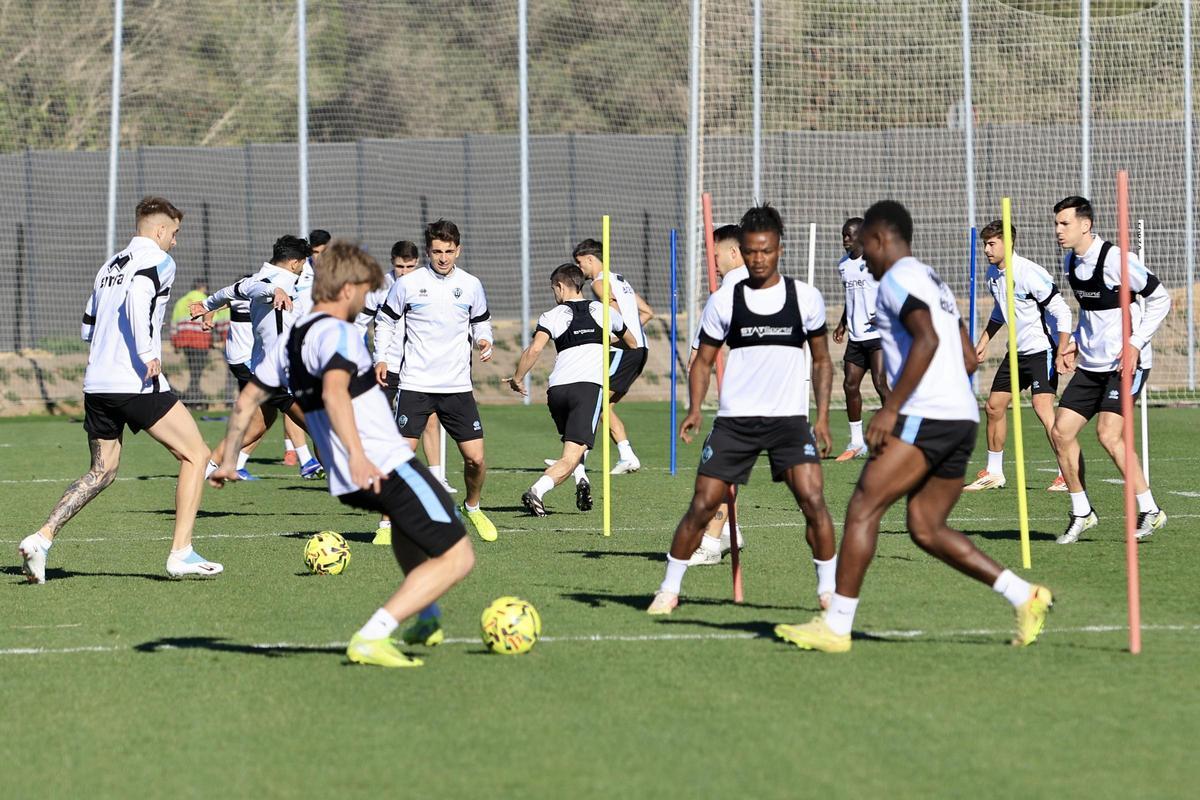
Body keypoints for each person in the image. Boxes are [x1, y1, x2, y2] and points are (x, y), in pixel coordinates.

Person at [774, 200, 1052, 654]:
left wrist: (891, 409)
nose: (862, 255)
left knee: (863, 505)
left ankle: (837, 626)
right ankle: (1026, 596)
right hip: (960, 416)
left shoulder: (897, 280)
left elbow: (926, 337)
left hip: (929, 414)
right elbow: (965, 354)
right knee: (925, 527)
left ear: (882, 239)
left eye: (865, 246)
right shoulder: (931, 278)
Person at [209, 241, 474, 667]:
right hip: (378, 464)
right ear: (348, 290)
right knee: (459, 555)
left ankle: (424, 614)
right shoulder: (340, 332)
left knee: (408, 528)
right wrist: (356, 454)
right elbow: (334, 390)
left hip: (344, 478)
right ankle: (373, 636)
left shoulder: (293, 338)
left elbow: (245, 402)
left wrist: (225, 461)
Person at [18, 197, 223, 583]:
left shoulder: (110, 266)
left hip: (98, 383)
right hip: (135, 381)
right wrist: (146, 352)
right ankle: (181, 553)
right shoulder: (160, 262)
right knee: (196, 454)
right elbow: (139, 296)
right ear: (160, 230)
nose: (175, 242)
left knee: (103, 470)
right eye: (174, 233)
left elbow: (87, 327)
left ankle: (41, 540)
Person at [647, 204, 837, 615]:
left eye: (766, 250)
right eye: (751, 251)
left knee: (814, 503)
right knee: (702, 506)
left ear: (779, 250)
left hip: (789, 421)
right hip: (735, 421)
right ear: (744, 252)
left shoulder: (805, 298)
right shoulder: (725, 300)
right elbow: (702, 360)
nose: (758, 258)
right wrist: (696, 407)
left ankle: (828, 592)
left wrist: (821, 417)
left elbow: (822, 361)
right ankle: (669, 589)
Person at [1049, 196, 1171, 543]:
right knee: (1060, 432)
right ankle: (1081, 512)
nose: (1058, 230)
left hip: (1125, 363)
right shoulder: (1070, 261)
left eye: (1064, 223)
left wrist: (1135, 344)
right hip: (1091, 364)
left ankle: (1149, 509)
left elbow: (1161, 299)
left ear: (1085, 225)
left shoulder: (1116, 260)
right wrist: (1073, 341)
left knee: (1108, 434)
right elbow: (1092, 312)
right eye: (1056, 224)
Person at [373, 218, 499, 542]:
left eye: (449, 251)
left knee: (476, 459)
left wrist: (484, 340)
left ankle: (472, 507)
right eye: (437, 251)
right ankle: (387, 524)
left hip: (457, 387)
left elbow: (481, 323)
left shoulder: (471, 285)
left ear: (459, 250)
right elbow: (384, 323)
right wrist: (382, 358)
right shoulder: (408, 284)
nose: (443, 258)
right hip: (415, 383)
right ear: (428, 251)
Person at [507, 263, 638, 515]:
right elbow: (631, 342)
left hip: (556, 392)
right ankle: (537, 491)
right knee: (570, 455)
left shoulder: (551, 315)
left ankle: (582, 480)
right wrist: (604, 337)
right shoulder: (604, 311)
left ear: (559, 286)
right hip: (587, 390)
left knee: (573, 446)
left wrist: (517, 378)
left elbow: (534, 350)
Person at [193, 235, 324, 479]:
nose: (304, 268)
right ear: (295, 263)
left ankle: (205, 468)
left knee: (256, 426)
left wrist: (207, 304)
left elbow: (232, 290)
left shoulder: (255, 279)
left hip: (267, 371)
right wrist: (275, 290)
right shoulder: (278, 282)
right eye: (304, 263)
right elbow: (261, 288)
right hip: (283, 374)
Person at [965, 220, 1072, 493]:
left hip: (1042, 350)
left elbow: (1062, 311)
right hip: (1017, 353)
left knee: (1042, 408)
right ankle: (994, 472)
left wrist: (1062, 349)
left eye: (992, 244)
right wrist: (984, 340)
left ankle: (1065, 472)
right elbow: (1001, 311)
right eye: (985, 244)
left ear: (1008, 243)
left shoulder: (1029, 273)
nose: (987, 249)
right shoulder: (992, 274)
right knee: (994, 406)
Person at [362, 241, 453, 546]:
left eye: (409, 267)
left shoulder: (427, 283)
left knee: (430, 421)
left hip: (417, 367)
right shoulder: (379, 288)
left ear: (417, 263)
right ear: (392, 264)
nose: (403, 272)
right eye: (399, 267)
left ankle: (438, 477)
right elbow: (361, 321)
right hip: (386, 366)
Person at [685, 223, 747, 566]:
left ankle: (711, 543)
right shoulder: (772, 287)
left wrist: (694, 405)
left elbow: (699, 357)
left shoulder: (724, 295)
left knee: (717, 470)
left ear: (734, 253)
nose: (714, 262)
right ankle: (728, 532)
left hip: (744, 400)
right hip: (781, 397)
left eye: (716, 254)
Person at [573, 238, 654, 474]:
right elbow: (648, 312)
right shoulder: (621, 280)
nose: (579, 269)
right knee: (602, 407)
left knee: (596, 403)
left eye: (580, 263)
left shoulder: (599, 283)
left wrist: (607, 337)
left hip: (624, 351)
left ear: (590, 259)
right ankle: (581, 458)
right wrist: (632, 334)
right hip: (639, 350)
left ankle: (582, 458)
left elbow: (615, 314)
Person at [194, 274, 271, 480]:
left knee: (266, 417)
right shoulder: (252, 295)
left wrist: (207, 317)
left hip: (244, 361)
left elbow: (218, 303)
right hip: (246, 361)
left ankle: (234, 464)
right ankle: (212, 464)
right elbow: (221, 301)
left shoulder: (243, 296)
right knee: (259, 417)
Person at [832, 217, 889, 461]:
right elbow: (851, 298)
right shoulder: (844, 265)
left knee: (880, 384)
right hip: (856, 336)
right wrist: (842, 324)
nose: (845, 239)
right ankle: (857, 442)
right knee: (849, 385)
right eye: (843, 235)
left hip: (879, 335)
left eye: (849, 235)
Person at [171, 279, 214, 406]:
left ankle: (192, 397)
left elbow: (174, 322)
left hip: (185, 341)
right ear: (203, 287)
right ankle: (194, 398)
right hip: (200, 341)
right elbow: (211, 320)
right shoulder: (205, 299)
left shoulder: (181, 301)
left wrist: (175, 342)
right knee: (197, 372)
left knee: (192, 370)